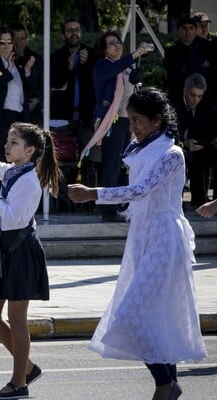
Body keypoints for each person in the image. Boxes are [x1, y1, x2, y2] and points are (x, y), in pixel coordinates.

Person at [68, 88, 207, 400]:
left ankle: (165, 384)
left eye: (138, 121)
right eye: (130, 120)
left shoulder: (172, 154)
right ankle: (169, 384)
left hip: (164, 238)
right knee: (152, 313)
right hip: (142, 235)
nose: (133, 127)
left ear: (157, 121)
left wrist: (94, 193)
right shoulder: (139, 147)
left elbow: (142, 190)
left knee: (133, 314)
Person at [0, 118, 62, 399]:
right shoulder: (10, 171)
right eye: (7, 141)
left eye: (14, 143)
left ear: (30, 151)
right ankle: (28, 367)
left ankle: (19, 382)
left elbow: (11, 221)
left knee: (16, 318)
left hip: (21, 250)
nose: (7, 146)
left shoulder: (30, 181)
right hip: (4, 249)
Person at [91, 31, 150, 222]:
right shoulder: (103, 65)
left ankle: (123, 206)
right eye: (112, 43)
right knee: (112, 165)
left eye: (119, 42)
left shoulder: (125, 66)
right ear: (104, 49)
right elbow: (111, 72)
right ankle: (108, 209)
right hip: (113, 120)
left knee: (126, 165)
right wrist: (134, 54)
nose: (117, 45)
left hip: (129, 120)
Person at [50, 18, 97, 156]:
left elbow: (96, 81)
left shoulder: (92, 54)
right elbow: (56, 83)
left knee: (87, 156)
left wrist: (85, 65)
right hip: (64, 115)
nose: (74, 33)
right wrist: (69, 67)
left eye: (77, 30)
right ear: (63, 35)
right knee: (62, 155)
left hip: (87, 115)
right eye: (70, 30)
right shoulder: (56, 57)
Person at [0, 26, 33, 161]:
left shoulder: (19, 62)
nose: (6, 46)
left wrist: (27, 73)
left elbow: (29, 90)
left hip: (20, 116)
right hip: (3, 117)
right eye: (2, 43)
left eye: (9, 42)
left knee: (21, 155)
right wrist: (7, 71)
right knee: (4, 156)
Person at [176, 74, 215, 207]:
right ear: (185, 91)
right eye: (193, 95)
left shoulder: (205, 106)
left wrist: (202, 144)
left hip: (196, 144)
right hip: (176, 144)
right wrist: (184, 143)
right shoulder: (174, 105)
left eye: (199, 96)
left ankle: (201, 199)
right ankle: (177, 201)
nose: (195, 100)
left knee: (206, 153)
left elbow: (209, 129)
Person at [164, 16, 207, 109]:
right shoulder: (171, 52)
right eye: (184, 28)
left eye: (191, 28)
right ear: (179, 30)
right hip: (179, 98)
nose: (188, 31)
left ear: (195, 31)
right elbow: (175, 75)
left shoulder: (205, 49)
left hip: (203, 99)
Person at [12, 23, 43, 125]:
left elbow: (45, 83)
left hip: (32, 114)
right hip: (10, 113)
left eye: (22, 38)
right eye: (16, 39)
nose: (19, 42)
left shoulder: (35, 59)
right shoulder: (4, 60)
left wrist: (37, 99)